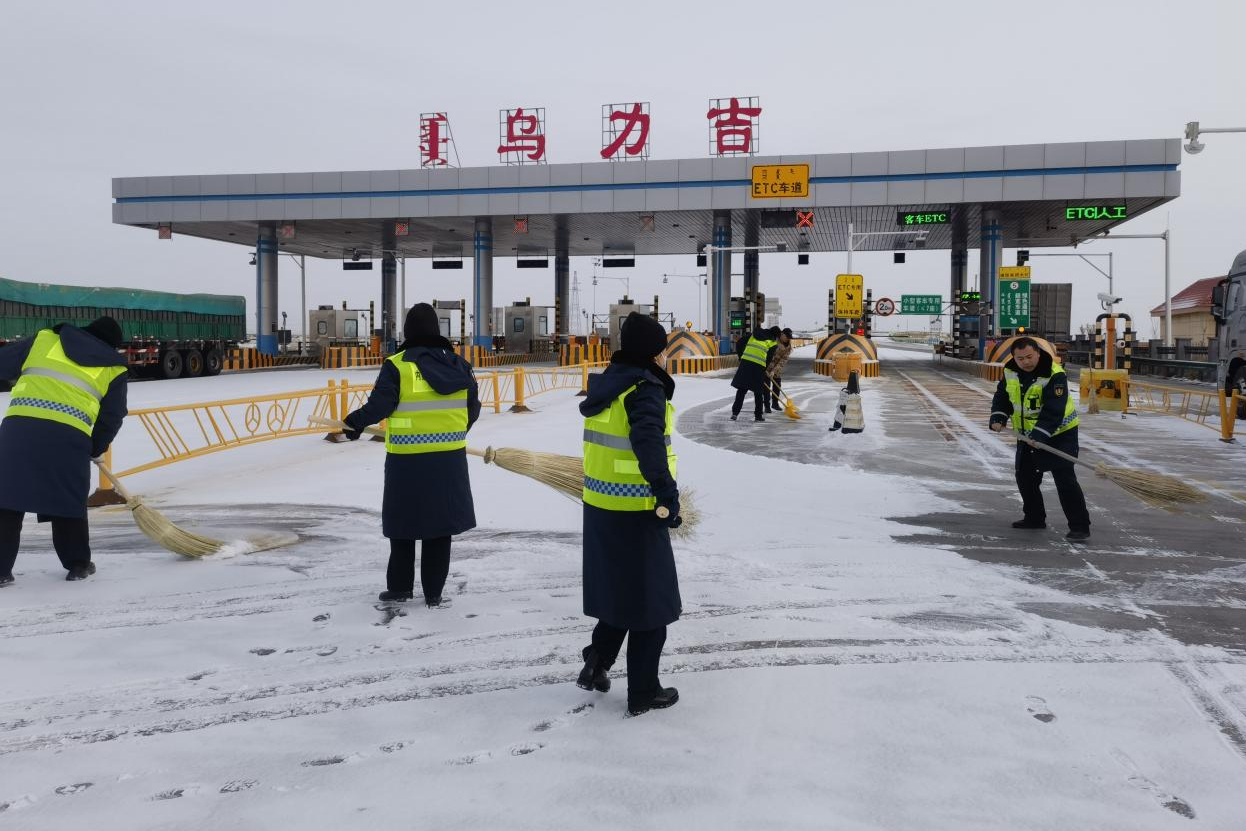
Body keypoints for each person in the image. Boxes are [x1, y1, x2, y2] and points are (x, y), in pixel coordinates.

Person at [577, 311, 682, 717]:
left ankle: (597, 660)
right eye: (663, 350)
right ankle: (644, 691)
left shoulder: (609, 383)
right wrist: (666, 493)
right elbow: (648, 442)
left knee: (621, 592)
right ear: (653, 353)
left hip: (600, 506)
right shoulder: (644, 388)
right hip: (638, 509)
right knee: (652, 605)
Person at [342, 303, 482, 605]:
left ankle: (400, 588)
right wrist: (451, 433)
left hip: (406, 462)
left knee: (403, 525)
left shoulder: (398, 365)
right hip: (449, 460)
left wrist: (355, 422)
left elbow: (381, 405)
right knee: (440, 529)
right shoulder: (460, 366)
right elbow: (473, 410)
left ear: (408, 331)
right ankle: (434, 593)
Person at [0, 317, 128, 585]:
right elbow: (112, 416)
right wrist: (95, 446)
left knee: (7, 499)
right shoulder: (113, 367)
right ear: (112, 346)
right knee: (68, 499)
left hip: (18, 432)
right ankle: (78, 564)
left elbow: (3, 362)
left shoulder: (45, 339)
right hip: (68, 437)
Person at [989, 337, 1091, 541]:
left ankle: (1080, 526)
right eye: (1020, 359)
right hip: (1027, 435)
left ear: (1037, 353)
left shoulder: (1054, 374)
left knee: (1064, 479)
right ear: (1014, 358)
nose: (1026, 362)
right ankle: (1034, 517)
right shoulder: (1010, 371)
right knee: (1025, 477)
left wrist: (1040, 435)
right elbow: (1003, 396)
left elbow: (1054, 409)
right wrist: (998, 416)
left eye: (1029, 357)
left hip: (1060, 434)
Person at [730, 325, 779, 422]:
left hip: (745, 364)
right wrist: (765, 369)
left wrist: (741, 357)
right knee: (758, 392)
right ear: (775, 335)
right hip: (759, 366)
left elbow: (739, 343)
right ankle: (758, 415)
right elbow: (768, 358)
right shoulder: (772, 343)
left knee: (742, 389)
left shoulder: (754, 335)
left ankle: (735, 413)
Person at [766, 327, 794, 411]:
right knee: (766, 387)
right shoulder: (774, 340)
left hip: (776, 369)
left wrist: (774, 371)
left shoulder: (788, 347)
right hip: (766, 367)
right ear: (782, 334)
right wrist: (766, 368)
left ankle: (775, 404)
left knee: (777, 385)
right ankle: (767, 406)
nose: (787, 339)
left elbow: (783, 361)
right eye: (787, 337)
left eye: (789, 337)